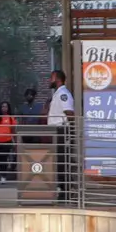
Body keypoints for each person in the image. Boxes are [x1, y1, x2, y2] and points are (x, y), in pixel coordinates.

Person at [46, 69, 76, 198]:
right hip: (57, 131)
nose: (49, 81)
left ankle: (65, 192)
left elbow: (69, 112)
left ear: (57, 79)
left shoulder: (63, 93)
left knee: (63, 162)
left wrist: (68, 130)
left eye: (50, 78)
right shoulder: (58, 94)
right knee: (59, 162)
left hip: (61, 131)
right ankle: (63, 190)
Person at [0, 100, 17, 182]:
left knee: (4, 158)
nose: (4, 108)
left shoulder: (11, 119)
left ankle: (3, 176)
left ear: (8, 108)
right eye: (2, 106)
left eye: (5, 106)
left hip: (7, 141)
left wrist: (15, 142)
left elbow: (13, 131)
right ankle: (1, 174)